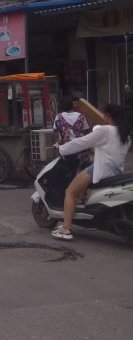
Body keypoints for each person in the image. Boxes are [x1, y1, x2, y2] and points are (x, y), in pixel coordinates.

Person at [51, 103, 131, 240]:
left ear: (108, 116)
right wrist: (94, 149)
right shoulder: (126, 134)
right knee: (82, 177)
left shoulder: (105, 130)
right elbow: (109, 149)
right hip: (115, 171)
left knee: (69, 192)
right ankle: (81, 205)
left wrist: (61, 148)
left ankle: (66, 229)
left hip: (100, 169)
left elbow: (81, 142)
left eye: (104, 115)